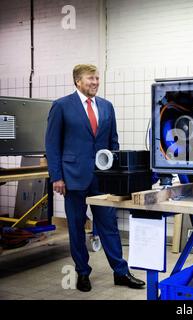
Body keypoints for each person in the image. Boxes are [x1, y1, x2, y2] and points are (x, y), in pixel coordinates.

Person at [45, 64, 145, 292]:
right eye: (91, 78)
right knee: (77, 226)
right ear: (78, 81)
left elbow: (113, 144)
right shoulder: (61, 106)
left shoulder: (107, 107)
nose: (96, 82)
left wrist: (116, 175)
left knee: (108, 225)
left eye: (98, 78)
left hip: (102, 180)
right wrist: (57, 177)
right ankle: (82, 272)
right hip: (72, 177)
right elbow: (52, 145)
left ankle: (121, 272)